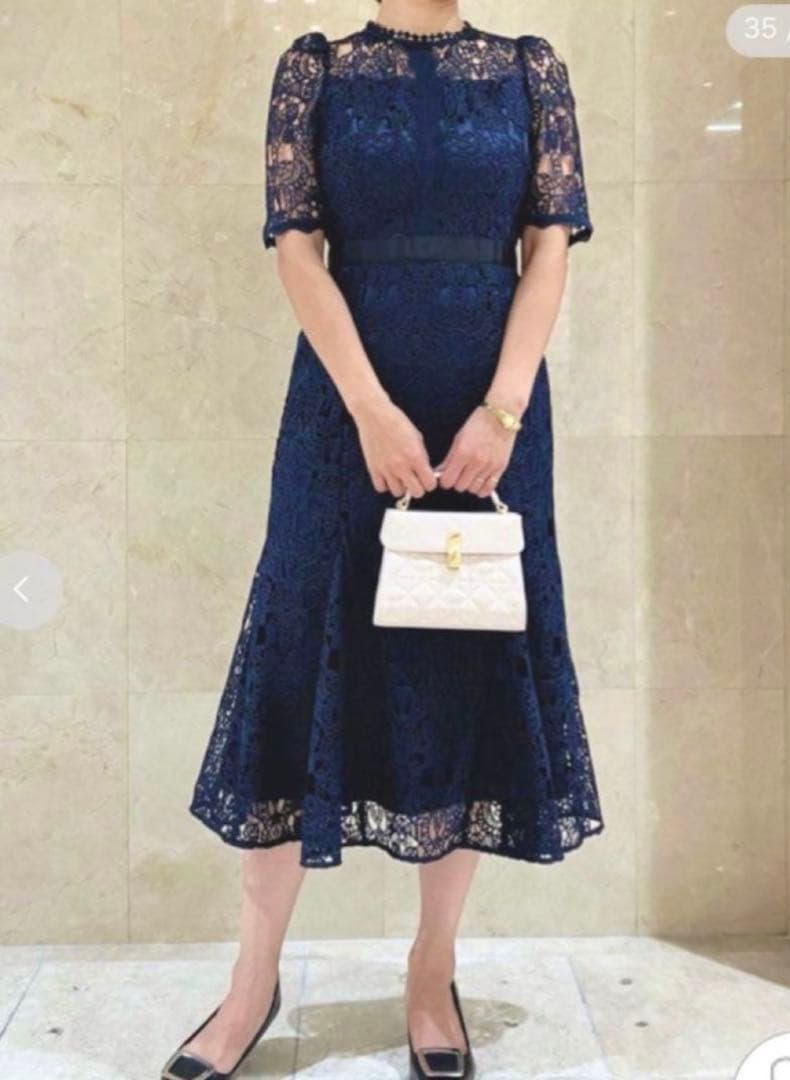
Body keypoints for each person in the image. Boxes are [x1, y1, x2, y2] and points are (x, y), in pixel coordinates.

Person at [161, 2, 604, 1077]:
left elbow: (547, 250)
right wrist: (367, 408)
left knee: (461, 664)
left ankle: (429, 973)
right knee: (294, 660)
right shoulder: (314, 69)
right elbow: (298, 251)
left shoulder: (529, 69)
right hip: (341, 411)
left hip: (490, 416)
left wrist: (501, 412)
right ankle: (251, 985)